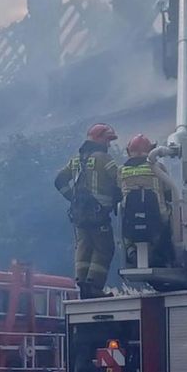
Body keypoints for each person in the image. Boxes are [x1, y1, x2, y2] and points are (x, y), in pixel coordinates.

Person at [55, 123, 123, 299]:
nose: (109, 144)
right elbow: (121, 180)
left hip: (79, 216)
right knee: (104, 248)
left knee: (83, 248)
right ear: (99, 139)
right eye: (108, 140)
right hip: (98, 215)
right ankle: (94, 286)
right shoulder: (104, 159)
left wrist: (72, 198)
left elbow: (59, 180)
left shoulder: (75, 160)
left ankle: (83, 285)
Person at [119, 134, 178, 268]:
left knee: (125, 229)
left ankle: (130, 250)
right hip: (157, 216)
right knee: (172, 218)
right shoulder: (158, 167)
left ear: (129, 151)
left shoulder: (121, 170)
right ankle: (167, 256)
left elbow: (118, 192)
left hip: (130, 218)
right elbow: (169, 193)